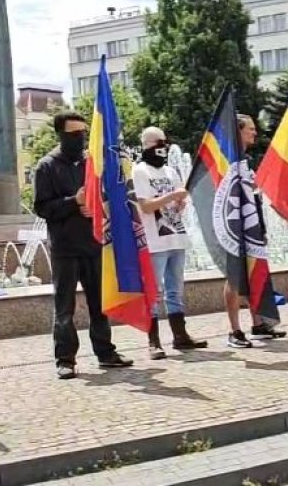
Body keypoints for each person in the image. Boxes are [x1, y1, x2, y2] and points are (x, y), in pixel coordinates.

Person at [33, 112, 133, 379]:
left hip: (93, 243)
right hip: (65, 248)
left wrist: (99, 206)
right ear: (61, 135)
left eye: (83, 133)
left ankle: (106, 353)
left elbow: (106, 195)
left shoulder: (92, 163)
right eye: (74, 134)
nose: (80, 139)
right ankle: (65, 359)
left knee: (99, 303)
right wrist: (73, 202)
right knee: (64, 307)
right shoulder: (46, 166)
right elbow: (42, 208)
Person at [132, 127, 207, 360]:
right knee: (154, 292)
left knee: (175, 290)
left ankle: (180, 335)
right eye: (158, 143)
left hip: (176, 235)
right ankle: (153, 341)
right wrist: (173, 197)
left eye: (165, 142)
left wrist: (180, 202)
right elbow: (145, 206)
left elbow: (177, 200)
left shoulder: (170, 171)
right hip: (155, 240)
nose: (163, 147)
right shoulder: (140, 171)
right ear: (147, 145)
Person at [225, 114, 285, 349]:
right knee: (234, 277)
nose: (255, 133)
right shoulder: (227, 161)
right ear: (238, 131)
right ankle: (234, 330)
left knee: (253, 274)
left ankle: (258, 323)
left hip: (252, 226)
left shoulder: (246, 161)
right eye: (250, 129)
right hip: (233, 228)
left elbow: (253, 196)